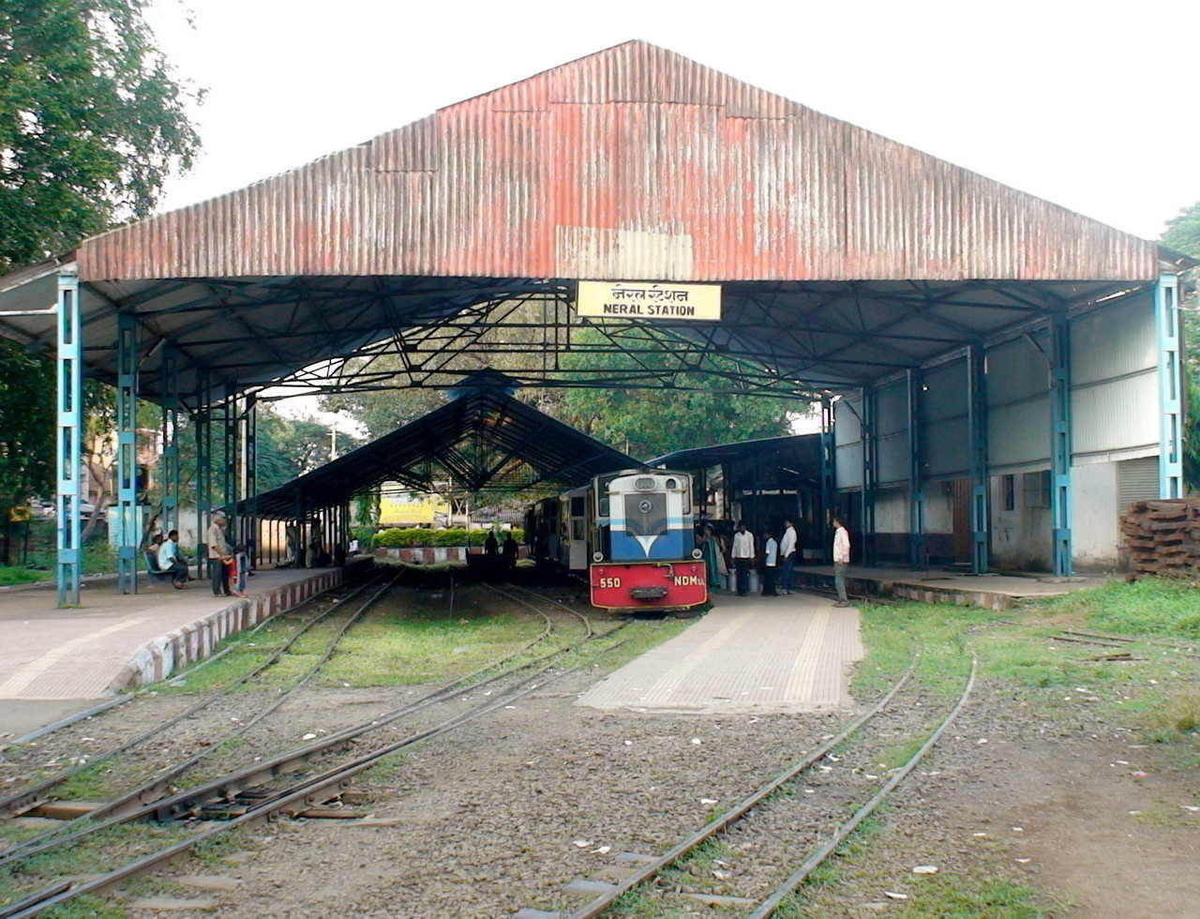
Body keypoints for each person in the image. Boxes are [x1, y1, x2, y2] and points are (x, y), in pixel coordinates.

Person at [207, 510, 233, 597]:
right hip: (217, 556)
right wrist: (222, 555)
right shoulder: (212, 529)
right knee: (217, 574)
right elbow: (213, 545)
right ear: (218, 519)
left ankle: (227, 591)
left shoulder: (219, 529)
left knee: (225, 574)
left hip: (222, 556)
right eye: (223, 519)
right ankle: (216, 591)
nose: (224, 521)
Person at [731, 521, 755, 597]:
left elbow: (751, 546)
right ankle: (739, 590)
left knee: (744, 574)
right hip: (738, 557)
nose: (742, 528)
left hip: (746, 557)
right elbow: (734, 546)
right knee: (739, 574)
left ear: (745, 527)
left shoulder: (749, 535)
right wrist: (733, 557)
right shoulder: (736, 535)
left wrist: (752, 557)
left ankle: (744, 589)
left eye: (743, 527)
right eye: (740, 527)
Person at [832, 516, 851, 607]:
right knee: (839, 580)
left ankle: (844, 600)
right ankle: (841, 599)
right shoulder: (838, 532)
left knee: (839, 580)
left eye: (834, 521)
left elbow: (846, 545)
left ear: (837, 522)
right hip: (838, 559)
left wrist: (841, 558)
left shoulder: (842, 532)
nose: (833, 523)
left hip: (841, 560)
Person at [779, 518, 798, 595]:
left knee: (787, 571)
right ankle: (786, 587)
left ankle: (786, 587)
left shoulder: (792, 532)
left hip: (789, 553)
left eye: (787, 522)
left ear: (791, 523)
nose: (785, 524)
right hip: (786, 553)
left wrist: (786, 555)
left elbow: (791, 544)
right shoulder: (788, 531)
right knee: (786, 571)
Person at [761, 529, 779, 596]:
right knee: (772, 578)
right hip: (773, 562)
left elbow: (767, 552)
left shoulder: (768, 542)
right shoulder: (775, 542)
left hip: (768, 562)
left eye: (765, 534)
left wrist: (763, 560)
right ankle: (773, 591)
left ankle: (766, 592)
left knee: (767, 578)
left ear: (768, 535)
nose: (764, 536)